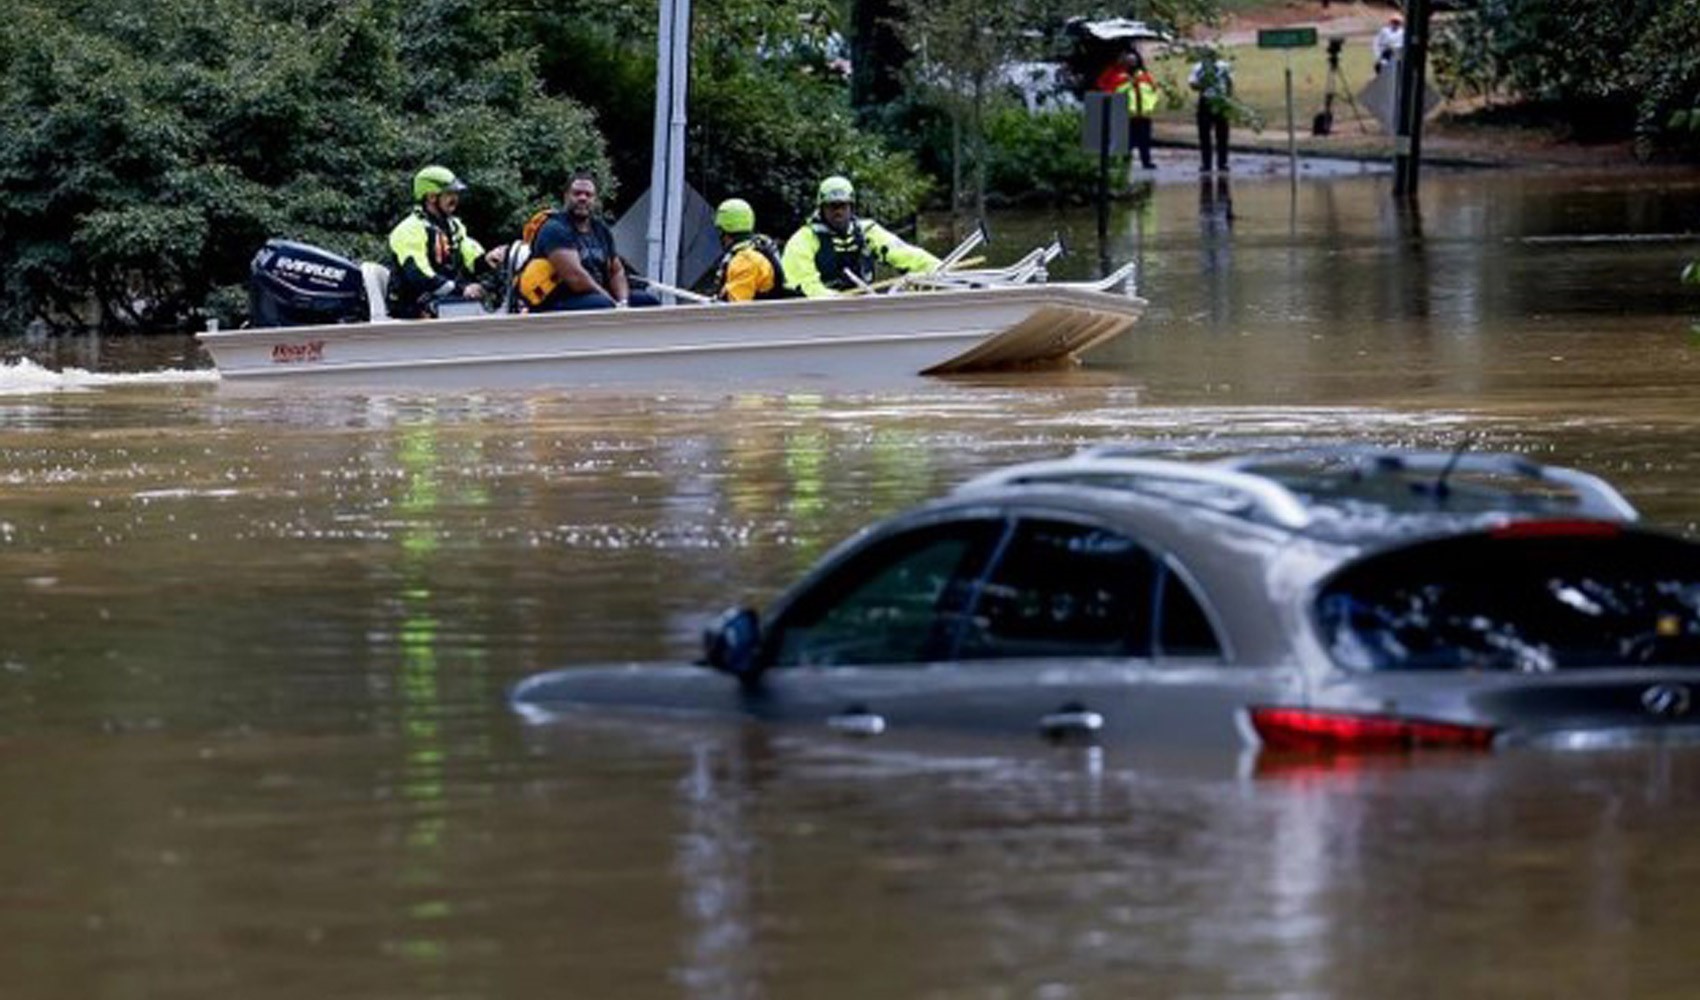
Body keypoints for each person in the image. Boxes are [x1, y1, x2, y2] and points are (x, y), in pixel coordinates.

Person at [515, 171, 659, 312]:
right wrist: (613, 304)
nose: (583, 198)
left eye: (588, 195)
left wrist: (623, 302)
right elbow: (576, 278)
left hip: (595, 297)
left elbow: (616, 271)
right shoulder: (555, 229)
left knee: (647, 301)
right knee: (603, 305)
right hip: (558, 301)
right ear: (566, 197)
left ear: (595, 200)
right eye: (577, 193)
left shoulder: (600, 230)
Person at [781, 176, 941, 298]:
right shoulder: (804, 239)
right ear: (821, 208)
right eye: (832, 206)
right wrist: (831, 297)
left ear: (851, 206)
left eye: (843, 205)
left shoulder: (867, 231)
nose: (838, 212)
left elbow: (907, 255)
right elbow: (801, 282)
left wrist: (939, 270)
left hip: (862, 304)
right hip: (823, 311)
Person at [386, 165, 507, 319]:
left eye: (456, 194)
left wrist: (489, 259)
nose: (455, 199)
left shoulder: (453, 225)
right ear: (431, 197)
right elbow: (419, 275)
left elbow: (471, 260)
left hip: (439, 301)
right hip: (412, 309)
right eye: (449, 194)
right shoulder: (409, 229)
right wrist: (462, 289)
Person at [709, 198, 790, 302]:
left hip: (759, 316)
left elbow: (733, 308)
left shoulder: (745, 260)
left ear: (723, 230)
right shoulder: (759, 245)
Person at [1096, 50, 1161, 171]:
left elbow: (1153, 91)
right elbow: (1108, 88)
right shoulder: (1119, 76)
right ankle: (1125, 162)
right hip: (1127, 115)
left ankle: (1146, 162)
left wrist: (1151, 105)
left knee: (1144, 140)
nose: (1132, 64)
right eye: (1129, 62)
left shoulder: (1143, 76)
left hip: (1143, 113)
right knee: (1127, 141)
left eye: (1133, 62)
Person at [1189, 49, 1234, 174]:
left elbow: (1230, 83)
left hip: (1221, 100)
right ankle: (1206, 163)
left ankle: (1222, 163)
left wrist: (1228, 99)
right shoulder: (1198, 67)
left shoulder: (1224, 66)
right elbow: (1192, 84)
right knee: (1204, 134)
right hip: (1205, 100)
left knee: (1222, 134)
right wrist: (1203, 84)